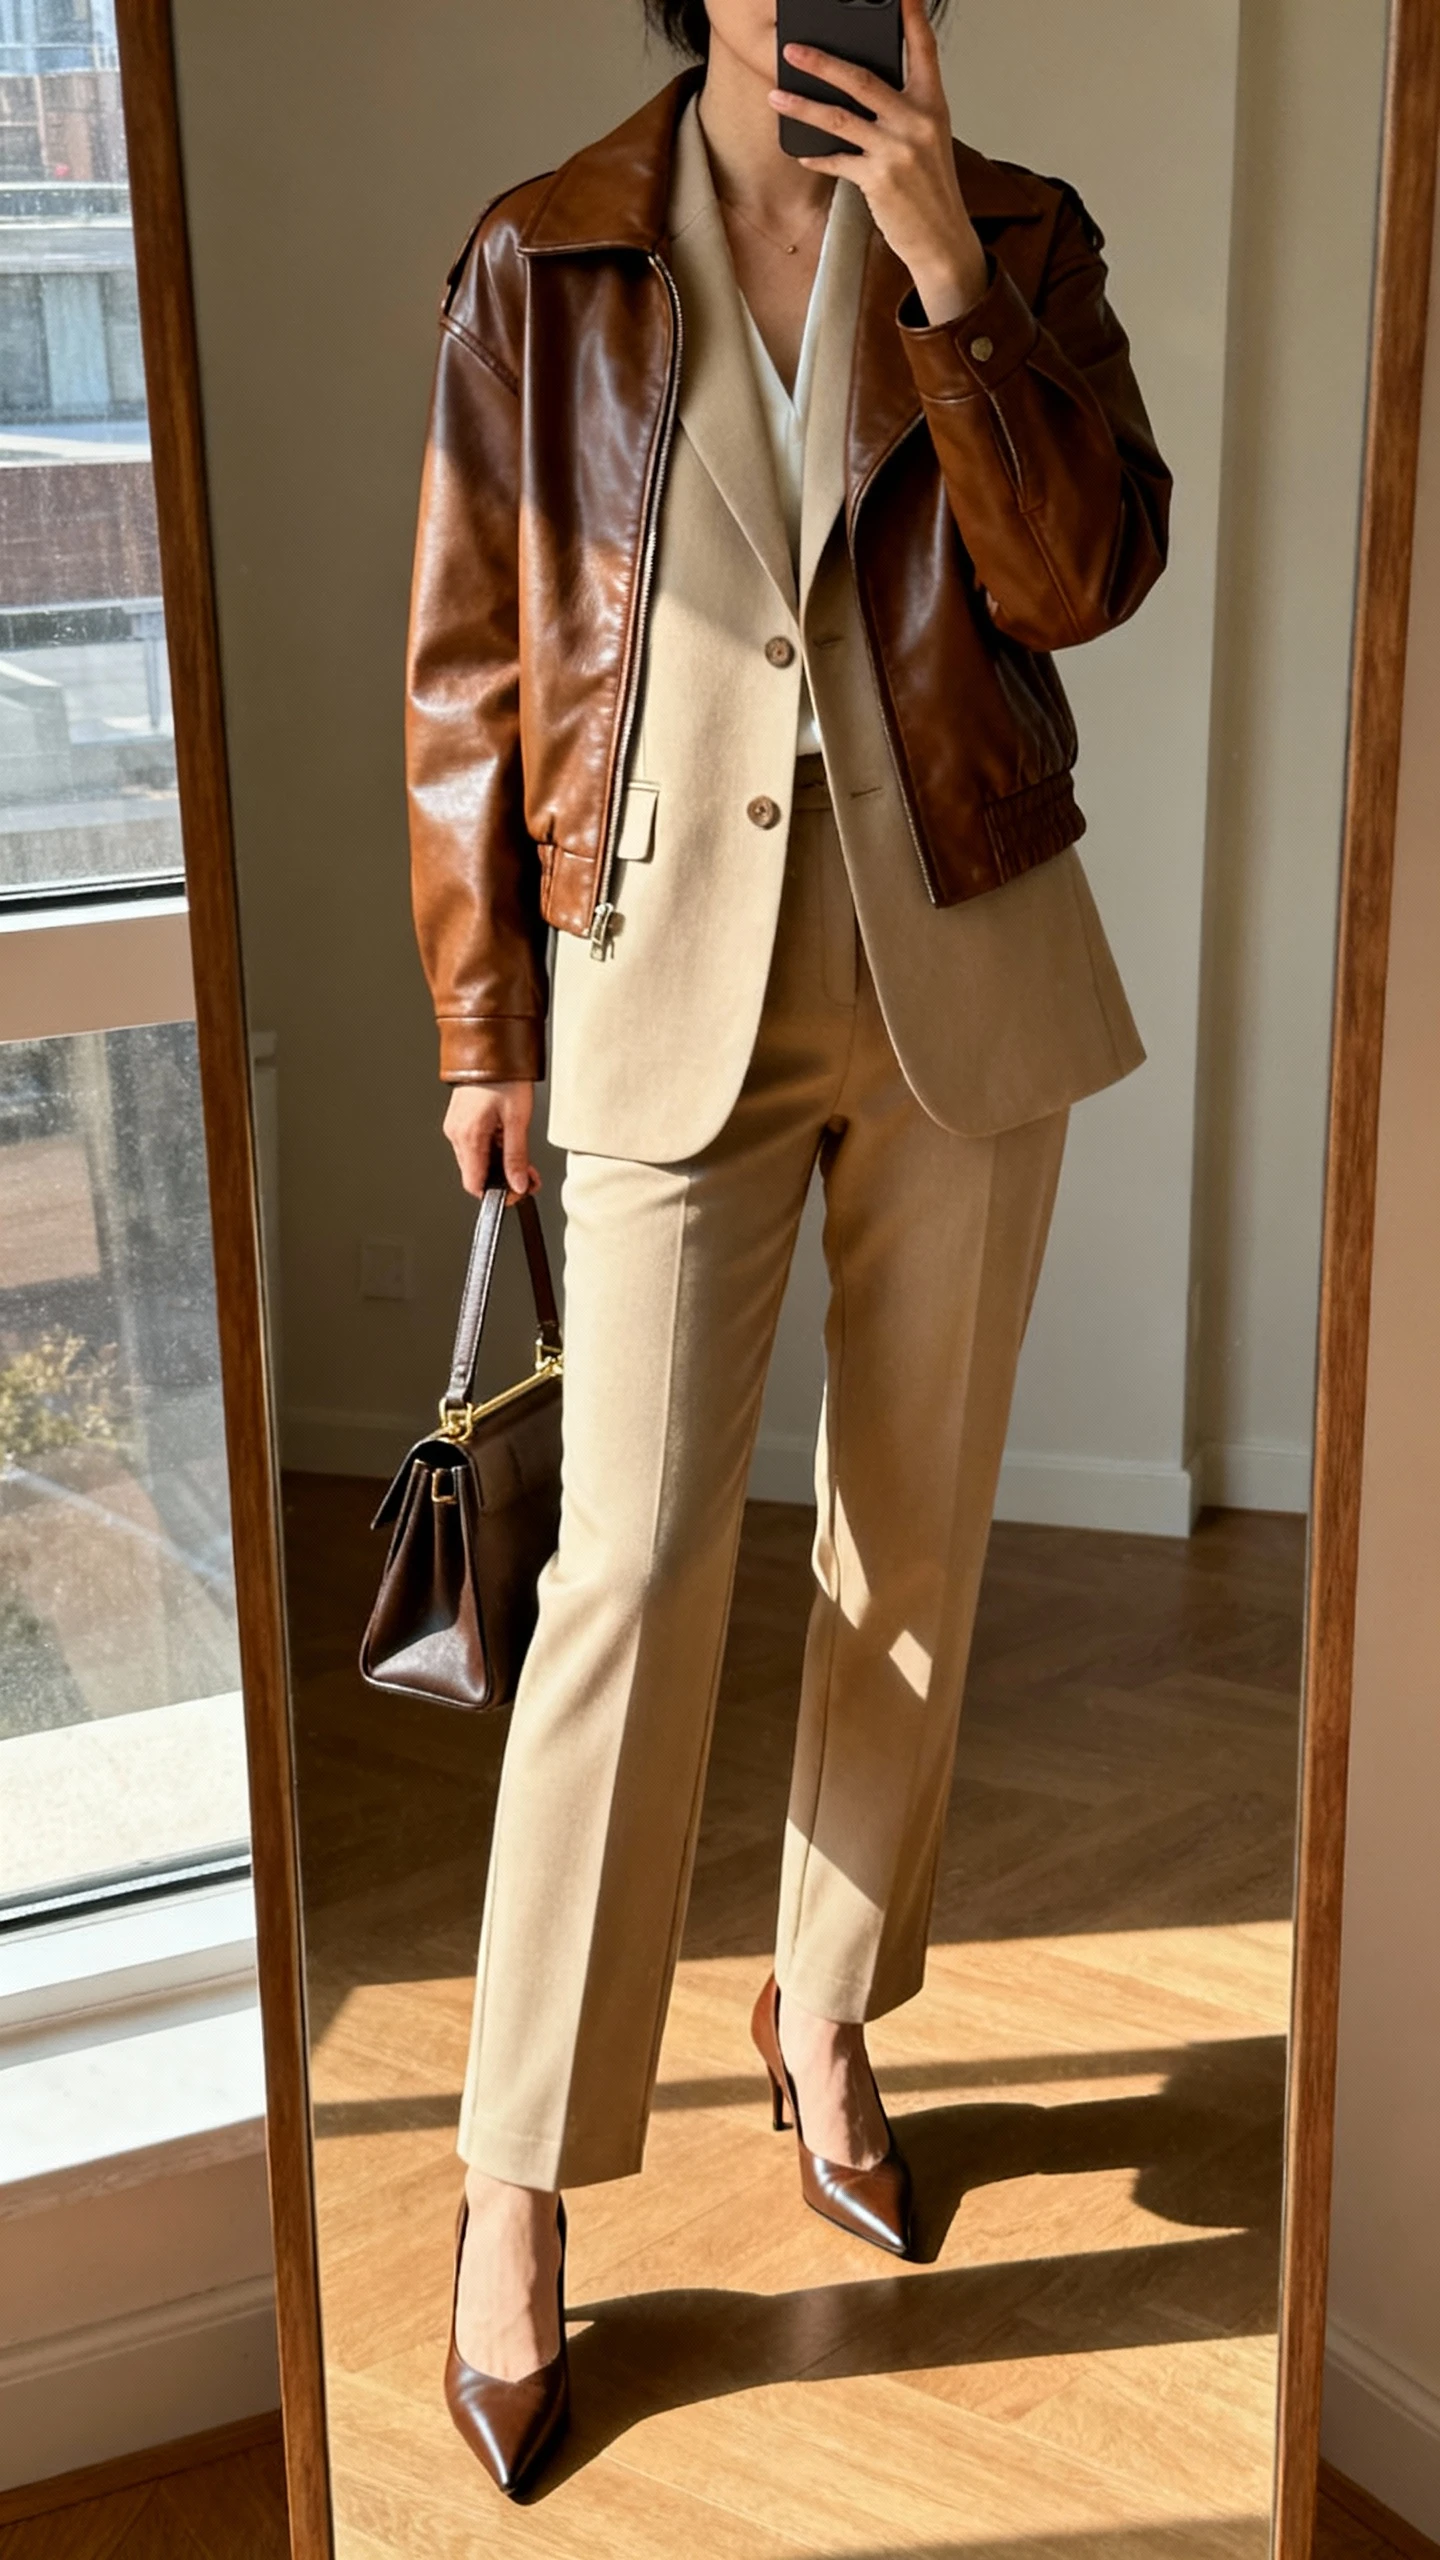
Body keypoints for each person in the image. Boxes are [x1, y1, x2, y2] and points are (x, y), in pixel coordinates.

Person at [405, 0, 1169, 2497]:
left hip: (956, 953)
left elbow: (1082, 575)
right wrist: (476, 1026)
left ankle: (824, 2010)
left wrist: (955, 283)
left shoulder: (1021, 229)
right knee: (622, 1570)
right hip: (646, 993)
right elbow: (471, 678)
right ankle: (511, 2180)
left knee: (914, 1547)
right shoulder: (547, 254)